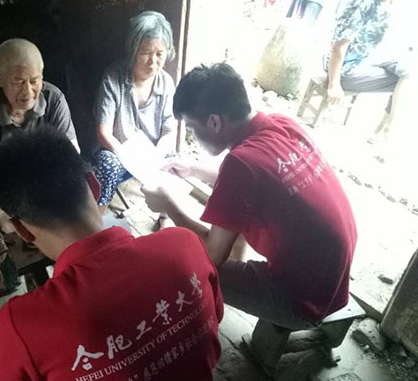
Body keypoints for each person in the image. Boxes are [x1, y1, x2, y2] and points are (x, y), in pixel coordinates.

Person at [0, 126, 223, 381]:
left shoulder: (23, 323)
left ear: (22, 230)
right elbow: (214, 319)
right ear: (94, 185)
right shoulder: (185, 246)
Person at [142, 63, 357, 333]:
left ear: (214, 122)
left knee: (185, 261)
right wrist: (193, 169)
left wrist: (169, 207)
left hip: (304, 301)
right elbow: (254, 179)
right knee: (235, 220)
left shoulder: (240, 165)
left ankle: (197, 332)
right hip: (332, 276)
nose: (193, 137)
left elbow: (212, 254)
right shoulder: (281, 124)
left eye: (192, 129)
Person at [0, 39, 79, 234]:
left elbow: (71, 152)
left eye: (34, 81)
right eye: (17, 83)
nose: (27, 92)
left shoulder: (54, 97)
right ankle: (7, 226)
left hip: (40, 174)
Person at [93, 11, 177, 222]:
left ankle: (164, 216)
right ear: (133, 51)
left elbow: (169, 130)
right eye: (146, 53)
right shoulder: (113, 78)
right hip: (119, 150)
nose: (153, 62)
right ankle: (98, 218)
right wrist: (128, 157)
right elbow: (103, 133)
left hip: (151, 153)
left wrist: (156, 156)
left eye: (160, 54)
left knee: (173, 162)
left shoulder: (166, 83)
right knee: (107, 164)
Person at [325, 0, 410, 143]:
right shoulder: (364, 2)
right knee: (407, 81)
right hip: (346, 69)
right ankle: (384, 133)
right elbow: (339, 47)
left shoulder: (390, 2)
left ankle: (385, 130)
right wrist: (334, 84)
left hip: (368, 60)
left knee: (410, 71)